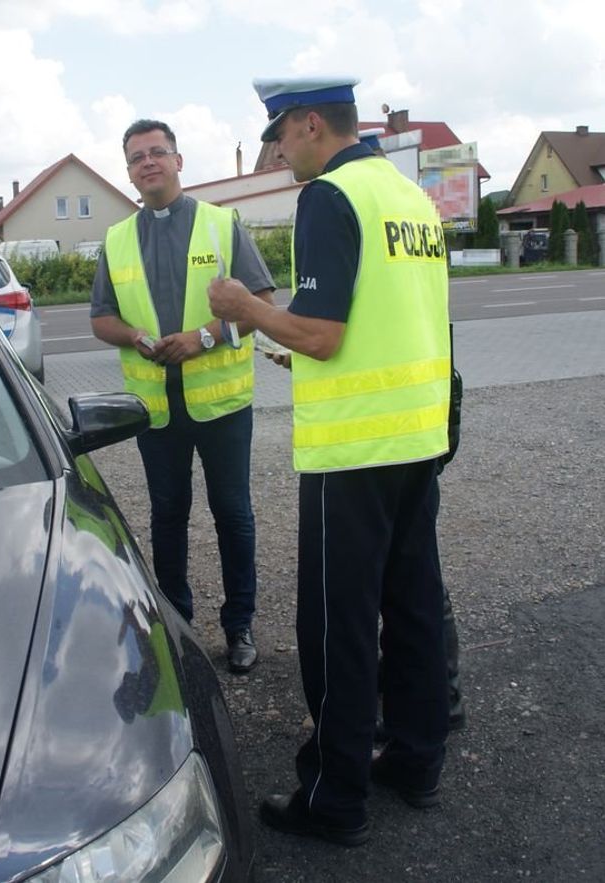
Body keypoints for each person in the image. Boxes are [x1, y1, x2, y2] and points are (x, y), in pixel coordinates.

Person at [208, 77, 452, 845]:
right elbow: (386, 320)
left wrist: (246, 309)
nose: (276, 151)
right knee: (412, 607)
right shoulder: (408, 197)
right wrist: (302, 351)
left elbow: (323, 332)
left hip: (352, 450)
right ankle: (416, 757)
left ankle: (334, 795)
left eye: (279, 135)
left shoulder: (331, 197)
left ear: (312, 124)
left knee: (336, 626)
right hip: (416, 438)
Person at [90, 119, 276, 674]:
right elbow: (102, 317)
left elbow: (262, 300)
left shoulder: (222, 225)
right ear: (128, 173)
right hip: (157, 410)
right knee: (167, 516)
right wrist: (138, 338)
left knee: (232, 514)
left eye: (157, 153)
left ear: (178, 160)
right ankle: (177, 624)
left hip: (221, 406)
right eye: (136, 157)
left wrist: (204, 337)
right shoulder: (117, 238)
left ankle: (239, 626)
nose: (148, 163)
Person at [356, 127, 468, 740]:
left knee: (406, 581)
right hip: (425, 414)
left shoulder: (369, 205)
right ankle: (431, 697)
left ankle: (428, 699)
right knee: (417, 573)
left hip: (394, 427)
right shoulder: (418, 209)